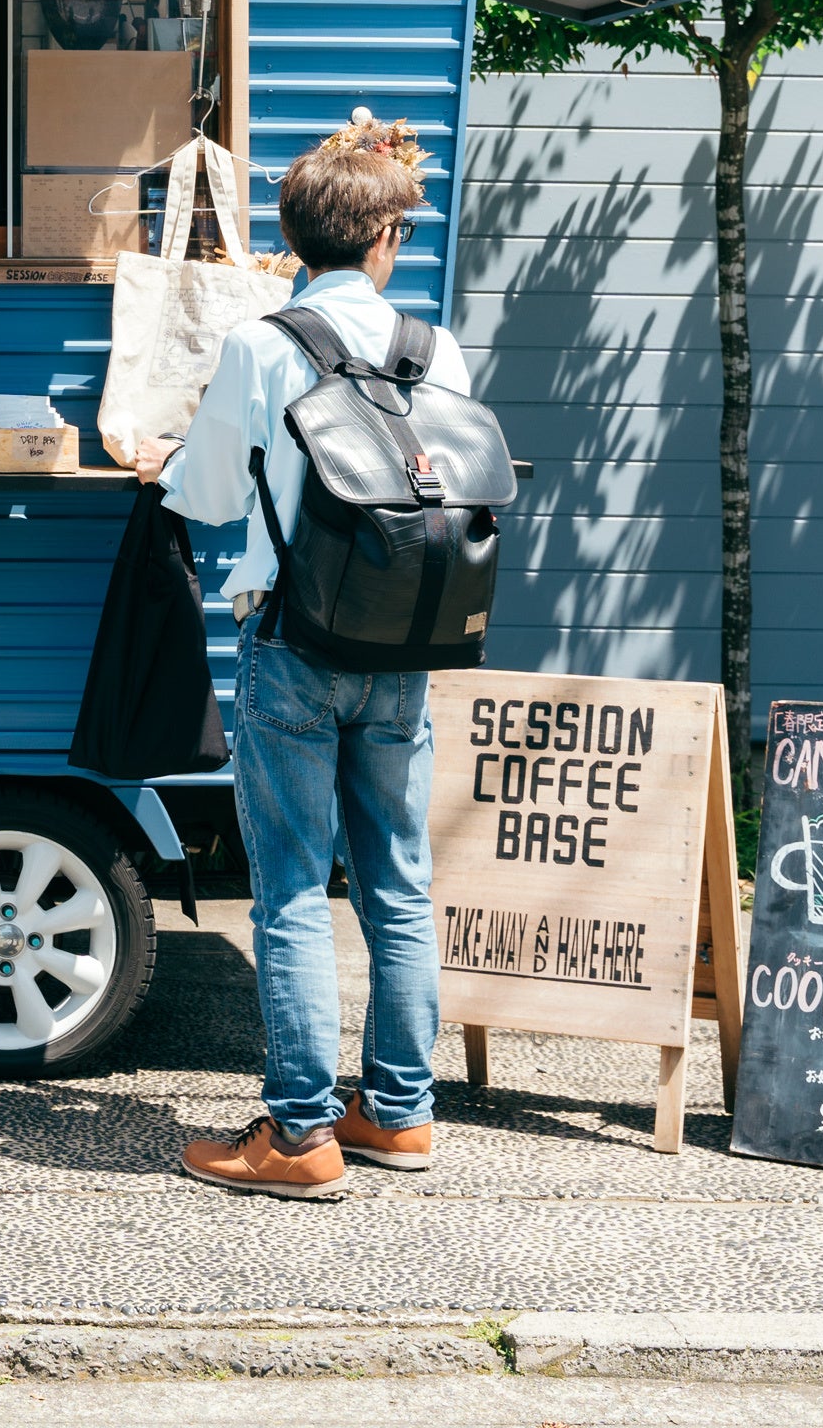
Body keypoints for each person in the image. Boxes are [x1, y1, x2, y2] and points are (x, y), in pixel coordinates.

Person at [165, 118, 467, 1200]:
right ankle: (398, 1113)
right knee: (398, 882)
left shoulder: (263, 343)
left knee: (293, 890)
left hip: (294, 638)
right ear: (384, 237)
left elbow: (205, 495)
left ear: (293, 241)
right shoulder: (436, 349)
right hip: (407, 645)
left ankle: (297, 1135)